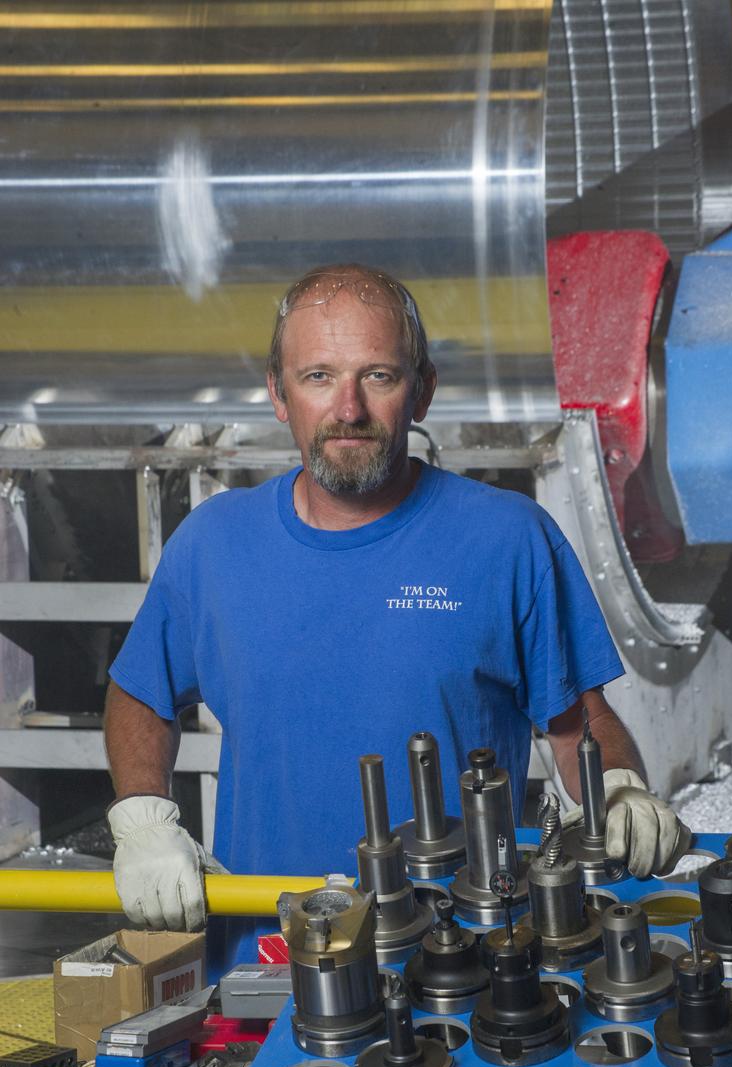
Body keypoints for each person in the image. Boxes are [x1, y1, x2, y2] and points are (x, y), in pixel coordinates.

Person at [104, 264, 688, 977]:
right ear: (278, 394)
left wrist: (619, 791)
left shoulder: (508, 538)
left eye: (377, 376)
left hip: (462, 960)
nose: (347, 408)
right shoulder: (213, 544)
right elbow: (139, 693)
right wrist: (143, 817)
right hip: (270, 953)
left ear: (423, 390)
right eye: (318, 376)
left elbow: (577, 724)